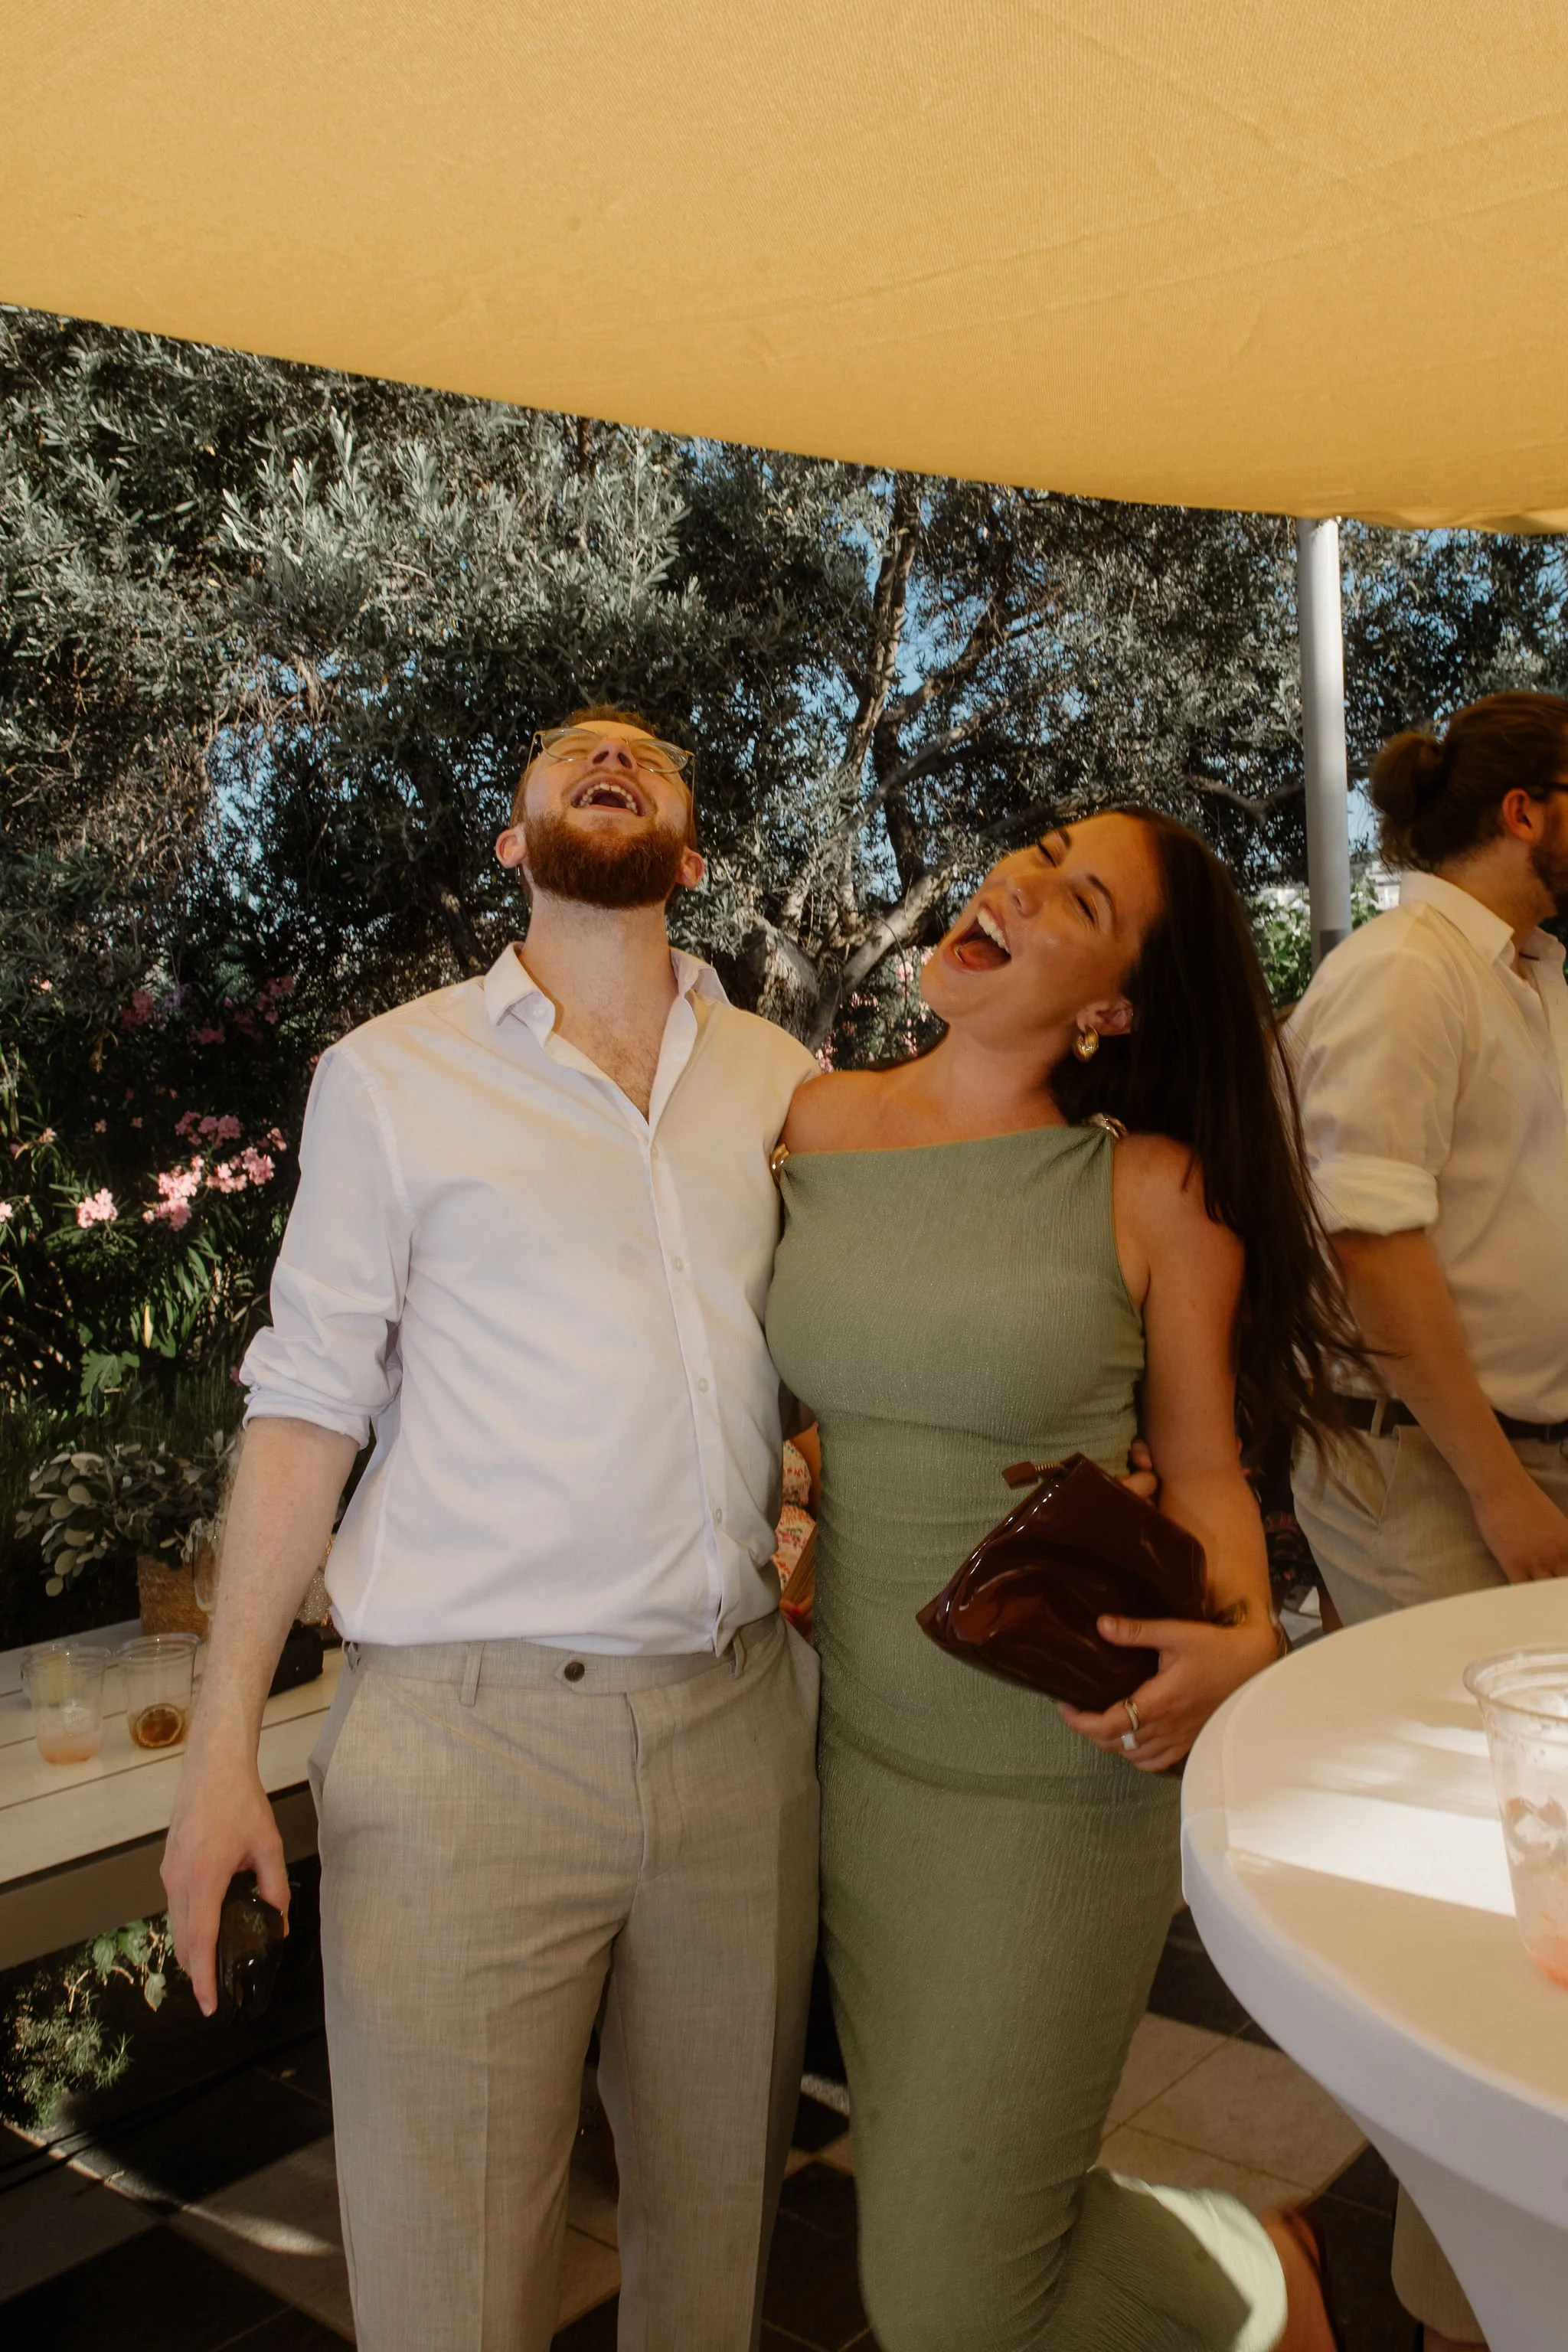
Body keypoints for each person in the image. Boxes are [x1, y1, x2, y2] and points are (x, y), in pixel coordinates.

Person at [161, 709, 822, 2352]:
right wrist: (219, 1747)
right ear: (516, 844)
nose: (612, 754)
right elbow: (306, 1404)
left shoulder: (785, 1083)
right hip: (466, 1750)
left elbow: (827, 1355)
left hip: (741, 1734)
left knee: (717, 2264)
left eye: (649, 753)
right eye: (570, 749)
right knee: (448, 2296)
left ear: (689, 852)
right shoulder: (391, 1078)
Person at [765, 808, 1355, 2352]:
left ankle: (1263, 2278)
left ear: (1114, 1008)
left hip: (1057, 1787)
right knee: (950, 2204)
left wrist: (1243, 1640)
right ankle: (1248, 2265)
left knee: (946, 2301)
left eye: (1080, 900)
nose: (1021, 885)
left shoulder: (1153, 1190)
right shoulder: (813, 1124)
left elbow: (1207, 1468)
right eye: (1037, 853)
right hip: (855, 1770)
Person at [1288, 690, 1568, 2352]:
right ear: (1532, 809)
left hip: (1513, 1455)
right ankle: (1462, 2305)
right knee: (1479, 1877)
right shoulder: (1405, 971)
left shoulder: (1528, 976)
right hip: (1426, 1467)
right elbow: (1371, 1244)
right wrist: (1499, 1485)